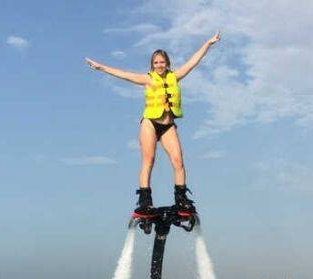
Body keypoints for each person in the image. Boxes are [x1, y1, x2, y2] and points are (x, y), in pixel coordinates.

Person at [86, 31, 220, 218]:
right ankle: (145, 202)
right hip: (150, 124)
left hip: (168, 126)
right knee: (149, 161)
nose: (159, 65)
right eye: (156, 62)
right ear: (152, 65)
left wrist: (208, 43)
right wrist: (101, 68)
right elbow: (124, 75)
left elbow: (193, 61)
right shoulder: (147, 79)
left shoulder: (175, 76)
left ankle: (181, 199)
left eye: (162, 62)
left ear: (167, 63)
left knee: (178, 161)